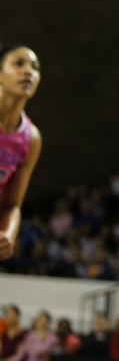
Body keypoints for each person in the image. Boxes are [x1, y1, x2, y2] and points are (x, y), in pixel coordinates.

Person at [0, 44, 43, 262]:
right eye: (18, 64)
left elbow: (12, 204)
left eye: (35, 67)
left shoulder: (31, 138)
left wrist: (8, 234)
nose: (28, 71)